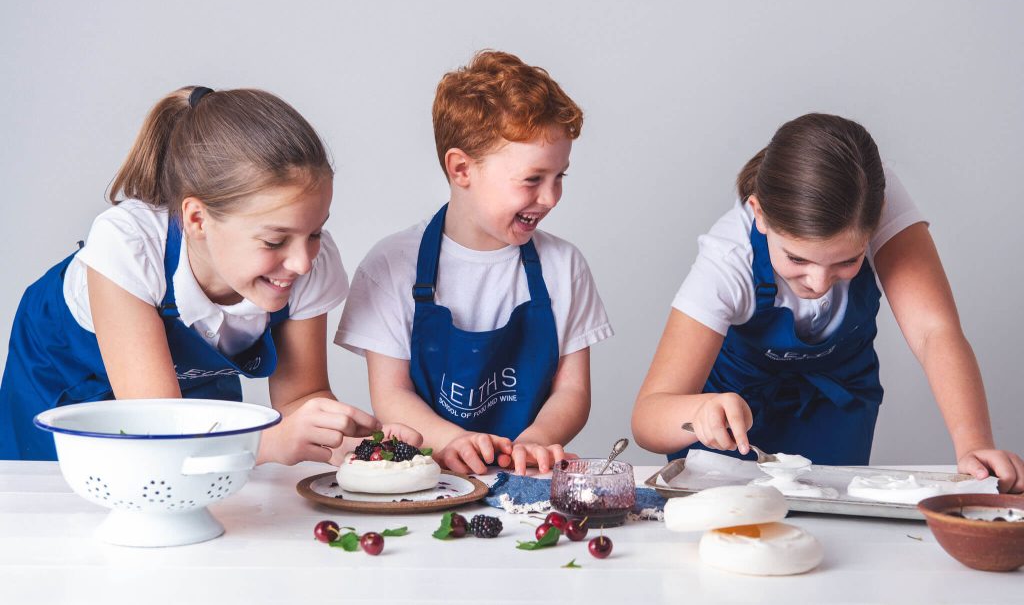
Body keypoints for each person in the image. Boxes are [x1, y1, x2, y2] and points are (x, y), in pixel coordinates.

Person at [0, 86, 419, 463]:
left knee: (206, 496)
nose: (303, 262)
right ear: (197, 219)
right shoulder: (127, 244)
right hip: (65, 381)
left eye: (314, 232)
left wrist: (356, 443)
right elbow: (158, 430)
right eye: (274, 241)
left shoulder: (308, 263)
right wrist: (266, 444)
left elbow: (300, 399)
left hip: (182, 398)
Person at [631, 113, 1024, 492]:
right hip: (730, 416)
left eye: (847, 260)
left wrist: (974, 443)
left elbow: (934, 332)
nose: (818, 283)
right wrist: (698, 413)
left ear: (878, 220)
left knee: (835, 526)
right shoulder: (728, 259)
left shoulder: (874, 197)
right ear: (759, 215)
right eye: (798, 259)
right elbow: (647, 417)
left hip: (837, 403)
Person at [335, 51, 613, 476]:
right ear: (462, 168)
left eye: (561, 177)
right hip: (426, 479)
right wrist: (451, 441)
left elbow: (572, 390)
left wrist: (535, 440)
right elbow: (391, 394)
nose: (551, 197)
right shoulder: (391, 265)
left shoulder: (564, 266)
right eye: (533, 179)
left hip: (525, 473)